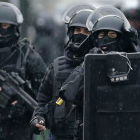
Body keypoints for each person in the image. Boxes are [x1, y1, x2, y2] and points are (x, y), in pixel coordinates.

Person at [58, 5, 140, 140]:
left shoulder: (134, 64)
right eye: (101, 35)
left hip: (129, 131)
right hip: (95, 131)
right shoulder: (89, 62)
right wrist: (90, 64)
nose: (106, 39)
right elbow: (68, 94)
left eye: (112, 35)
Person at [30, 3, 95, 140]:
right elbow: (42, 102)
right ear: (70, 32)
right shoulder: (57, 67)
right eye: (77, 30)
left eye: (86, 31)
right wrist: (38, 119)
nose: (81, 34)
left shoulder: (101, 66)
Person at [0, 2, 46, 140]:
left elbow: (45, 91)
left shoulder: (26, 55)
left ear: (15, 28)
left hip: (18, 127)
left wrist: (23, 108)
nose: (1, 32)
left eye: (5, 26)